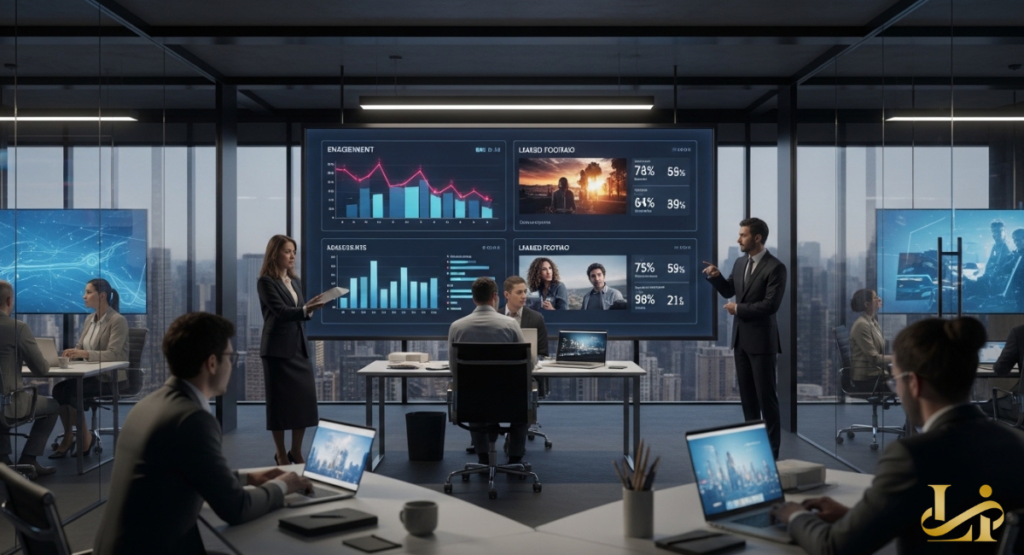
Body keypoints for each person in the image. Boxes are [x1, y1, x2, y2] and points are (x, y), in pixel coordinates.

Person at [771, 317, 1024, 554]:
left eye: (895, 381)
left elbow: (833, 547)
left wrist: (794, 515)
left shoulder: (913, 456)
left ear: (914, 383)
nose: (897, 391)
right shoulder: (1014, 443)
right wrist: (859, 518)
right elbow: (958, 522)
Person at [94, 312, 312, 555]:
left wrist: (247, 478)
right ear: (212, 363)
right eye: (231, 357)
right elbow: (237, 508)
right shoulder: (192, 420)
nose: (232, 365)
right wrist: (283, 485)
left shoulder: (150, 404)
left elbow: (184, 471)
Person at [702, 217, 786, 459]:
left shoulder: (775, 267)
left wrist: (738, 309)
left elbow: (770, 305)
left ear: (757, 238)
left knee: (766, 400)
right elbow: (729, 290)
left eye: (743, 235)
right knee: (748, 401)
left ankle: (772, 454)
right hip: (741, 341)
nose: (739, 239)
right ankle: (754, 450)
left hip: (762, 343)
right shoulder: (740, 263)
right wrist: (716, 276)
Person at [257, 235, 326, 466]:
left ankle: (296, 451)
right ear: (274, 253)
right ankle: (280, 454)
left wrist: (309, 308)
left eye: (294, 251)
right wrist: (306, 309)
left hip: (299, 348)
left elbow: (299, 312)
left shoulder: (294, 281)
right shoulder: (265, 282)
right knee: (279, 406)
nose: (292, 256)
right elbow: (281, 311)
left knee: (303, 403)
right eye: (287, 251)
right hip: (277, 351)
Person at [448, 277, 528, 465]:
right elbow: (526, 364)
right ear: (495, 297)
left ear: (474, 299)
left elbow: (453, 368)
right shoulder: (510, 324)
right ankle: (515, 458)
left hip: (472, 403)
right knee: (524, 398)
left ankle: (483, 457)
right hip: (509, 402)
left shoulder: (457, 326)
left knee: (474, 393)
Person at [50, 278, 129, 459]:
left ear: (102, 296)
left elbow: (114, 354)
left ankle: (82, 437)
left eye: (88, 292)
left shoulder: (117, 320)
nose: (84, 296)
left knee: (70, 392)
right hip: (90, 375)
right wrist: (73, 353)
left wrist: (85, 353)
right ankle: (73, 436)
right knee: (59, 390)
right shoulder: (89, 320)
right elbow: (81, 347)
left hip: (110, 379)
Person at [0, 280, 59, 476]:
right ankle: (29, 458)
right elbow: (41, 368)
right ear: (9, 301)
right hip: (9, 403)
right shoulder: (17, 327)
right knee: (53, 406)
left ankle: (3, 458)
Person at [847, 289, 891, 385]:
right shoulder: (862, 325)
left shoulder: (872, 322)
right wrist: (898, 358)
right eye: (875, 297)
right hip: (867, 377)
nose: (879, 299)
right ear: (867, 304)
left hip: (876, 374)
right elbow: (874, 358)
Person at [503, 275, 548, 358]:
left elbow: (543, 353)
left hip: (528, 364)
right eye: (519, 292)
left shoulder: (537, 318)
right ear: (507, 295)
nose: (524, 296)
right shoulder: (496, 316)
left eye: (525, 291)